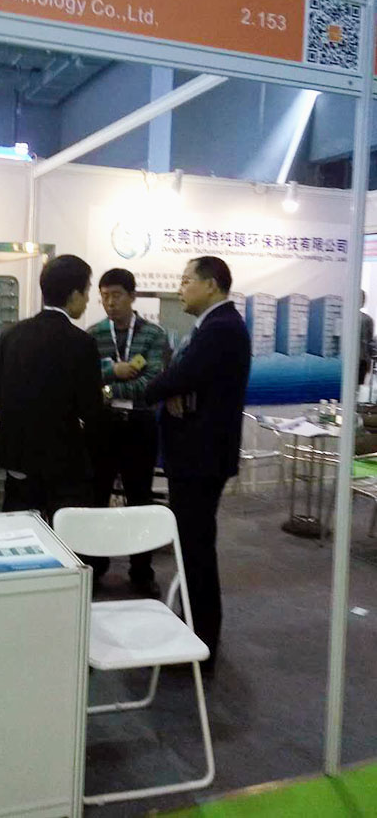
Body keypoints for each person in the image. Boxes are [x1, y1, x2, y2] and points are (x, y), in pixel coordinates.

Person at [143, 256, 251, 671]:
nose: (180, 288)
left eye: (187, 280)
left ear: (211, 285)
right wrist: (175, 387)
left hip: (201, 457)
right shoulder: (214, 326)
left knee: (197, 548)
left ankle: (202, 641)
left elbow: (180, 375)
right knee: (192, 545)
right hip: (197, 455)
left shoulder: (221, 328)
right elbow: (186, 378)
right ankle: (194, 629)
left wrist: (159, 388)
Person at [0, 254, 102, 522]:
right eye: (87, 292)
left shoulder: (11, 334)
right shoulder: (82, 343)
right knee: (67, 531)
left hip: (17, 455)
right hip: (63, 460)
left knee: (19, 529)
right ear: (74, 294)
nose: (88, 300)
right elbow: (91, 410)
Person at [88, 268, 170, 595]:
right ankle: (94, 566)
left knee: (139, 499)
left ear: (132, 297)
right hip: (102, 426)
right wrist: (114, 371)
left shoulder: (153, 335)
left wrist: (107, 388)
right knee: (96, 497)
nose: (110, 302)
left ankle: (141, 570)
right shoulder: (93, 334)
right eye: (105, 296)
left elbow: (151, 385)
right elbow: (85, 379)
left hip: (140, 425)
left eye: (117, 295)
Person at [359, 290, 375, 386]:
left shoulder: (345, 317)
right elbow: (369, 343)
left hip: (357, 359)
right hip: (362, 359)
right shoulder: (367, 320)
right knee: (358, 387)